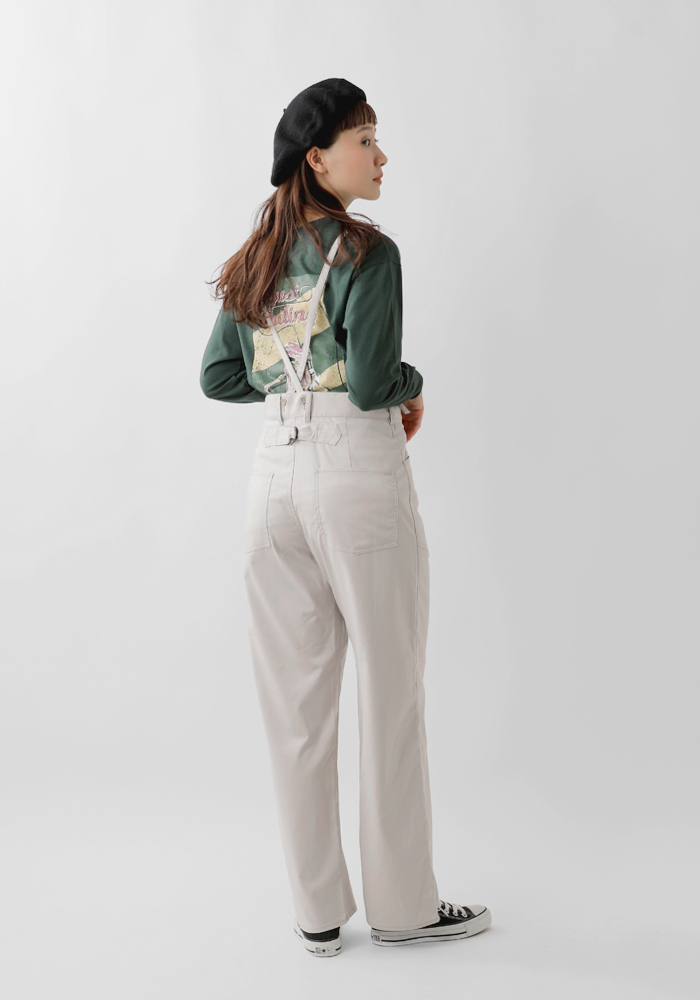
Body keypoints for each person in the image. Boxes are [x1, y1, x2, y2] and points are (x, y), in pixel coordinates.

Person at [199, 78, 491, 956]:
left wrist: (290, 389)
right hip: (356, 478)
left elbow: (218, 376)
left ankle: (317, 914)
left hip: (272, 484)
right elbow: (371, 384)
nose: (381, 155)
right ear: (318, 159)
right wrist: (412, 384)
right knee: (389, 692)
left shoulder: (257, 255)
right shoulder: (369, 252)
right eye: (366, 140)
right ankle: (403, 908)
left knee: (297, 706)